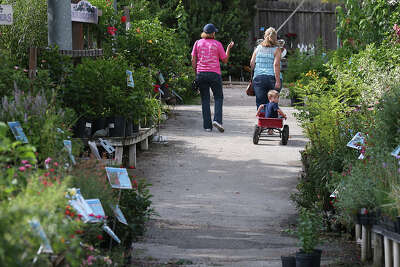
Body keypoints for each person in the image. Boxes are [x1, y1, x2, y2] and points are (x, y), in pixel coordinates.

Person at [191, 23, 234, 132]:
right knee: (218, 98)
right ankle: (217, 121)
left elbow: (193, 59)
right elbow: (224, 60)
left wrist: (195, 73)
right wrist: (228, 48)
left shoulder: (197, 43)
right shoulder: (217, 44)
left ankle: (207, 127)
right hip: (215, 74)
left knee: (205, 99)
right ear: (213, 33)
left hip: (201, 74)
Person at [250, 27, 282, 110]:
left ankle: (262, 121)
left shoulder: (258, 48)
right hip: (272, 78)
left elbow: (252, 63)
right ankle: (272, 121)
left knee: (261, 104)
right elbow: (276, 65)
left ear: (265, 36)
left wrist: (255, 75)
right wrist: (278, 81)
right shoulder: (277, 50)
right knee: (273, 103)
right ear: (275, 38)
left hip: (259, 79)